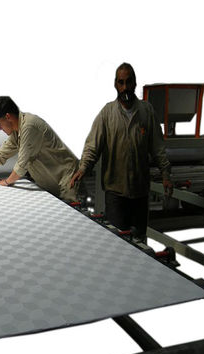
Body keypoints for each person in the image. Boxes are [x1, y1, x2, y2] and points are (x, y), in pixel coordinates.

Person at [70, 63, 173, 238]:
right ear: (115, 85)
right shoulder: (107, 113)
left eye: (128, 82)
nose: (125, 87)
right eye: (121, 82)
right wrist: (83, 168)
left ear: (135, 83)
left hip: (140, 192)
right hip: (115, 194)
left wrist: (166, 174)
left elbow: (158, 147)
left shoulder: (146, 112)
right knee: (118, 241)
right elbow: (93, 145)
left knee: (139, 242)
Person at [0, 96, 80, 202]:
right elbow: (0, 156)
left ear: (8, 117)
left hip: (68, 182)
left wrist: (7, 182)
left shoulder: (29, 126)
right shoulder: (17, 131)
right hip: (51, 185)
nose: (0, 128)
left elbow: (21, 165)